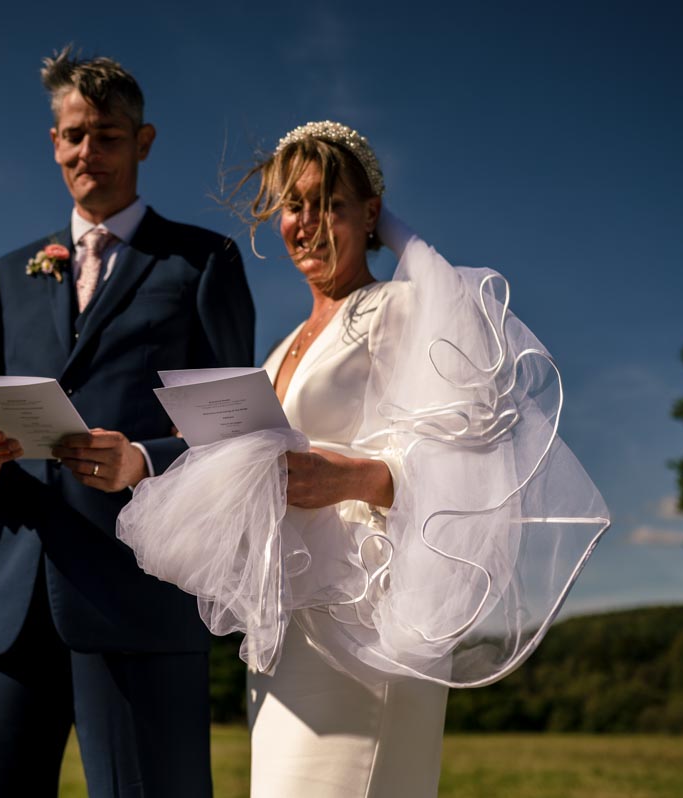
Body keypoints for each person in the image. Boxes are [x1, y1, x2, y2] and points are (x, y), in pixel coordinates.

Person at [118, 121, 609, 797]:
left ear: (370, 213)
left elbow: (471, 463)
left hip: (367, 628)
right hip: (289, 627)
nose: (308, 223)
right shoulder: (284, 343)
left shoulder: (400, 309)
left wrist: (354, 476)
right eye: (294, 206)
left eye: (330, 204)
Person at [0, 47, 255, 798]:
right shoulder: (7, 273)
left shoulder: (203, 261)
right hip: (2, 605)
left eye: (109, 135)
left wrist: (143, 459)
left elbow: (238, 439)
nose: (89, 152)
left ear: (143, 142)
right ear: (54, 142)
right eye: (75, 134)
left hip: (137, 600)